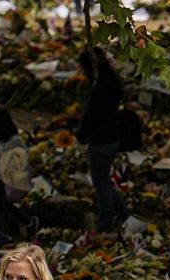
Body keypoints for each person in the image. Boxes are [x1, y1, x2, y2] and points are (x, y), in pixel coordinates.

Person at [76, 47, 127, 233]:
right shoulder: (111, 84)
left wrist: (80, 134)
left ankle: (106, 223)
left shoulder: (98, 90)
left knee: (101, 183)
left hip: (100, 140)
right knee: (104, 180)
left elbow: (89, 118)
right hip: (112, 138)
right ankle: (123, 215)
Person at [0, 108, 32, 245]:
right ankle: (7, 232)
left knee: (6, 203)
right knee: (0, 205)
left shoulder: (13, 140)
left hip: (10, 176)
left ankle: (26, 221)